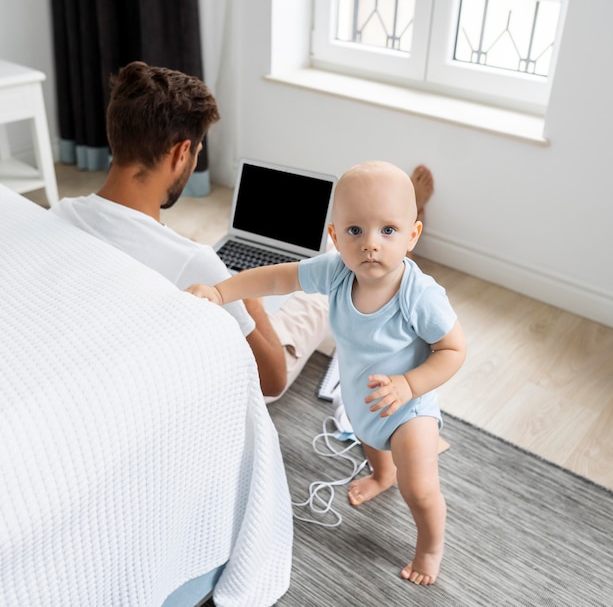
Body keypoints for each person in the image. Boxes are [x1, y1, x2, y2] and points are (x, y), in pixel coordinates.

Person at [185, 160, 467, 586]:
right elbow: (279, 279)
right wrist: (222, 290)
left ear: (413, 237)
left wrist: (409, 385)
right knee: (371, 439)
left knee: (421, 489)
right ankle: (381, 474)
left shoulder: (419, 295)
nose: (371, 244)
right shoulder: (336, 272)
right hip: (363, 395)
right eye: (356, 231)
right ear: (334, 237)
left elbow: (453, 349)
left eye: (388, 231)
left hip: (410, 404)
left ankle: (430, 547)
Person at [50, 60, 329, 401]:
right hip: (220, 383)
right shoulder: (197, 264)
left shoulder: (59, 215)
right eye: (196, 151)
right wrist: (248, 297)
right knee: (320, 296)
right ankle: (388, 252)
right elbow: (272, 380)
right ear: (182, 153)